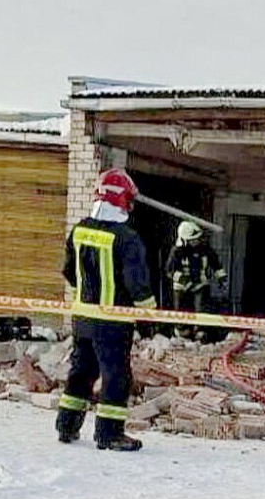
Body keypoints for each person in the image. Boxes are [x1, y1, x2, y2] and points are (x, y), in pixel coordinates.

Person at [56, 168, 157, 452]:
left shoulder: (79, 230)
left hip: (83, 317)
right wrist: (149, 318)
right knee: (116, 375)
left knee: (81, 371)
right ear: (123, 201)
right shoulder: (127, 238)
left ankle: (66, 426)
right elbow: (138, 285)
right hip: (113, 321)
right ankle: (109, 433)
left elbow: (68, 271)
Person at [165, 220, 226, 339]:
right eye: (192, 240)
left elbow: (216, 264)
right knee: (182, 313)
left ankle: (200, 333)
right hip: (181, 288)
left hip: (200, 286)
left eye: (197, 238)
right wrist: (185, 282)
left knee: (201, 312)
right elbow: (169, 271)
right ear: (184, 240)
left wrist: (222, 278)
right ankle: (182, 333)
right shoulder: (177, 251)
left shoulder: (205, 250)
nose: (196, 241)